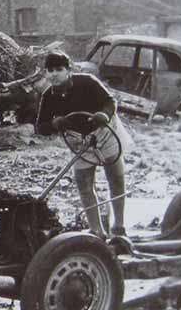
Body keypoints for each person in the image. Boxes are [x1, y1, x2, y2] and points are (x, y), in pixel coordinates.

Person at [35, 51, 130, 238]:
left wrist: (104, 114)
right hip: (79, 141)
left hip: (105, 132)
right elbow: (40, 127)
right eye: (50, 70)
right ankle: (97, 231)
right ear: (45, 73)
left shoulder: (87, 82)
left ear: (69, 70)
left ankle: (119, 227)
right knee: (84, 184)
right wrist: (54, 124)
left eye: (59, 69)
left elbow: (110, 101)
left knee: (116, 178)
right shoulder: (48, 96)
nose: (54, 74)